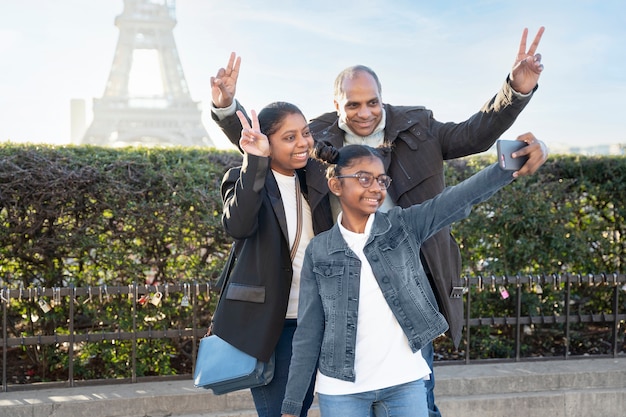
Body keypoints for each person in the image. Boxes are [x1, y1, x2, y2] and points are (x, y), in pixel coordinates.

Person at [210, 27, 548, 417]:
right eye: (353, 105)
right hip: (339, 283)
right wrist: (226, 106)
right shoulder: (316, 140)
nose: (366, 112)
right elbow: (266, 140)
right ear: (336, 105)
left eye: (373, 102)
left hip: (406, 280)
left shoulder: (418, 127)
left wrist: (515, 91)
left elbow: (474, 139)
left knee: (420, 397)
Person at [280, 141, 546, 417]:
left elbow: (458, 199)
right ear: (336, 185)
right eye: (364, 178)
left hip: (404, 383)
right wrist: (292, 405)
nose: (376, 188)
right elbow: (309, 331)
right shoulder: (319, 250)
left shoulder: (403, 227)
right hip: (342, 390)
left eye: (382, 180)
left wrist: (507, 167)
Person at [211, 102, 317, 417]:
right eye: (289, 137)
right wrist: (254, 161)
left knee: (303, 407)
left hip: (319, 319)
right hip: (275, 325)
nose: (302, 143)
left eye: (305, 133)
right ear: (268, 143)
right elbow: (238, 225)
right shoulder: (243, 179)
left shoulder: (316, 181)